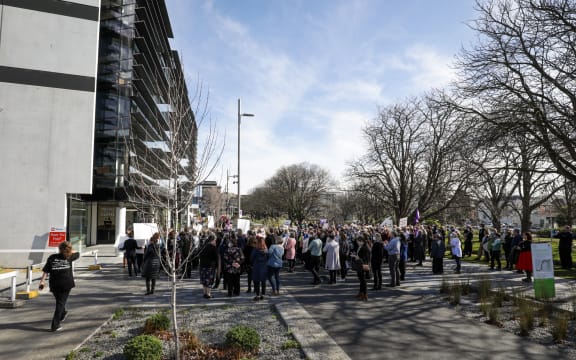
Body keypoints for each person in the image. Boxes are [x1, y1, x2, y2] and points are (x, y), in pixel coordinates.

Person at [39, 241, 80, 332]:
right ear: (69, 249)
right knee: (60, 303)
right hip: (64, 284)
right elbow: (78, 253)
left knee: (60, 303)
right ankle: (59, 319)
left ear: (59, 249)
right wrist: (70, 250)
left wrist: (42, 282)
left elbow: (46, 271)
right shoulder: (70, 256)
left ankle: (59, 319)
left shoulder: (52, 257)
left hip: (56, 285)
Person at [199, 234, 219, 299]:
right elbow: (216, 257)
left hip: (202, 265)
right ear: (212, 240)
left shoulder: (203, 246)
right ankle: (208, 294)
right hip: (210, 266)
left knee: (204, 280)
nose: (215, 242)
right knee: (209, 280)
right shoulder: (213, 248)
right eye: (215, 240)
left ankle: (205, 293)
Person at [354, 235, 371, 301]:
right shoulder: (361, 246)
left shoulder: (365, 247)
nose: (357, 243)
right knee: (361, 280)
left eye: (358, 241)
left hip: (363, 265)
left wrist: (358, 258)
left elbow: (366, 258)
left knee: (363, 281)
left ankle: (365, 294)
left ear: (362, 241)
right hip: (360, 265)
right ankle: (361, 293)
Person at [251, 235, 268, 300]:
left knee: (256, 281)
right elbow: (268, 257)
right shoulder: (266, 249)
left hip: (256, 266)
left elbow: (251, 258)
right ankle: (263, 294)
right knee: (263, 281)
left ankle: (257, 295)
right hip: (264, 266)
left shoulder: (255, 249)